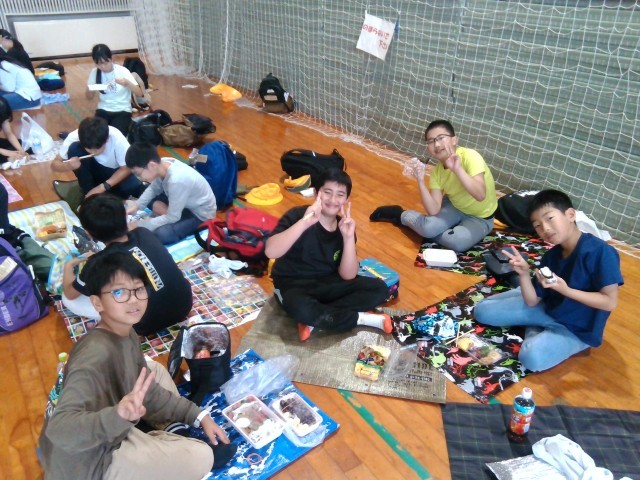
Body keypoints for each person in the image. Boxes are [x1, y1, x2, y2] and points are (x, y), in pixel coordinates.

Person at [39, 251, 236, 480]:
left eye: (138, 289)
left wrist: (199, 415)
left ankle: (168, 431)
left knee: (153, 372)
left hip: (105, 423)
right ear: (97, 302)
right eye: (119, 292)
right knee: (201, 457)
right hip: (87, 463)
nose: (133, 300)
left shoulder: (125, 330)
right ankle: (152, 434)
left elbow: (149, 391)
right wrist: (119, 415)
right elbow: (59, 429)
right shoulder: (95, 356)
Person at [474, 189, 624, 372]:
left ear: (570, 215)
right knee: (482, 311)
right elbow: (532, 301)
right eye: (537, 225)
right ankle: (532, 318)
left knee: (531, 358)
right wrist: (524, 274)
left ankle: (533, 326)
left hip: (577, 328)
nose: (545, 228)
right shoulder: (551, 256)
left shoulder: (601, 252)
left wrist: (566, 290)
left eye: (550, 218)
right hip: (547, 307)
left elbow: (609, 302)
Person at [265, 168, 392, 342]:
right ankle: (363, 319)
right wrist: (304, 223)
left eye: (340, 194)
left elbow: (348, 275)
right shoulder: (297, 215)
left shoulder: (344, 225)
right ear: (316, 193)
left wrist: (348, 238)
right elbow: (271, 251)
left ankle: (315, 319)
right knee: (301, 308)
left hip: (329, 283)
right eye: (327, 192)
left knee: (379, 289)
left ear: (346, 199)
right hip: (293, 285)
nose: (333, 200)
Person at [62, 193, 193, 335]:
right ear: (125, 217)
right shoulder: (143, 232)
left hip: (145, 324)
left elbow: (70, 294)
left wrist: (68, 267)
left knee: (69, 300)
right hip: (184, 305)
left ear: (88, 233)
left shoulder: (98, 263)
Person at [370, 119, 497, 252]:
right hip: (454, 206)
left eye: (441, 138)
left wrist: (458, 169)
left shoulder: (470, 156)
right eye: (431, 141)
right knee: (428, 228)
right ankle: (400, 214)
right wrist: (420, 180)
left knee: (458, 243)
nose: (436, 144)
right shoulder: (437, 172)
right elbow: (433, 210)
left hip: (480, 217)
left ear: (454, 140)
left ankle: (431, 230)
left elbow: (480, 195)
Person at [124, 142, 217, 244]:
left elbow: (172, 217)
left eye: (138, 174)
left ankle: (173, 217)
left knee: (162, 234)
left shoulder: (176, 180)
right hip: (183, 201)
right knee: (147, 193)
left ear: (152, 165)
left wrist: (139, 224)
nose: (139, 177)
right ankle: (170, 214)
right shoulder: (163, 163)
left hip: (199, 214)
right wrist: (137, 205)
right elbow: (154, 188)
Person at [50, 116, 144, 199]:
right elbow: (54, 164)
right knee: (74, 148)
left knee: (131, 186)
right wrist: (68, 166)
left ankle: (101, 193)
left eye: (97, 149)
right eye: (89, 149)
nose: (93, 152)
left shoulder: (116, 137)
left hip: (113, 172)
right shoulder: (74, 137)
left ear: (107, 139)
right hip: (93, 170)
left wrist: (103, 187)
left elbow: (127, 167)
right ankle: (89, 191)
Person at [0, 182, 54, 282]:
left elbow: (4, 228)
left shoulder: (1, 192)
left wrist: (23, 238)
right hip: (4, 258)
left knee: (52, 269)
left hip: (12, 245)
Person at [86, 44, 143, 135]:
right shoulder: (95, 72)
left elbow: (139, 93)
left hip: (122, 110)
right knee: (96, 135)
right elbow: (89, 97)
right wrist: (92, 88)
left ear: (111, 59)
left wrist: (127, 83)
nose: (103, 67)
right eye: (99, 64)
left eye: (106, 63)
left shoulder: (122, 71)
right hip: (103, 109)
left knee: (115, 135)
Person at [0, 96, 27, 163]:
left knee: (24, 144)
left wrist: (21, 150)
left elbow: (9, 133)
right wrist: (7, 153)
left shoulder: (3, 114)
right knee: (5, 156)